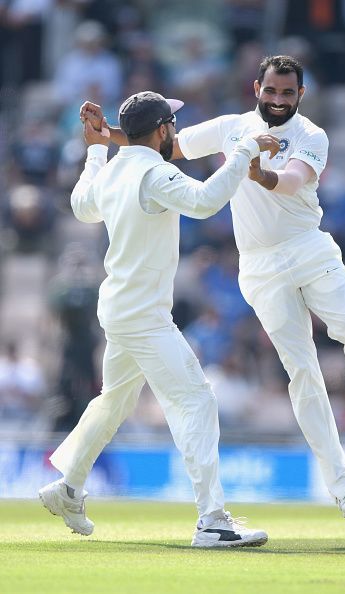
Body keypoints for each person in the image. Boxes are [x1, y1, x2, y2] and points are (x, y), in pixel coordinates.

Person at [81, 55, 345, 519]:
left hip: (309, 247)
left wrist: (259, 174)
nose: (278, 100)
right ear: (256, 88)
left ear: (301, 95)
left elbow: (293, 179)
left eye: (288, 93)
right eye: (271, 91)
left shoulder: (311, 135)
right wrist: (104, 134)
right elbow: (163, 146)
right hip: (259, 267)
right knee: (303, 371)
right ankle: (343, 486)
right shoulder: (231, 127)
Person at [39, 90, 280, 548]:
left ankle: (68, 486)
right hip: (143, 316)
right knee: (197, 400)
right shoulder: (154, 172)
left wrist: (94, 149)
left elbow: (79, 205)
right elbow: (207, 201)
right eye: (173, 123)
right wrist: (245, 150)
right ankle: (212, 520)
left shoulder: (114, 169)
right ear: (164, 130)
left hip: (120, 308)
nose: (175, 130)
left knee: (115, 401)